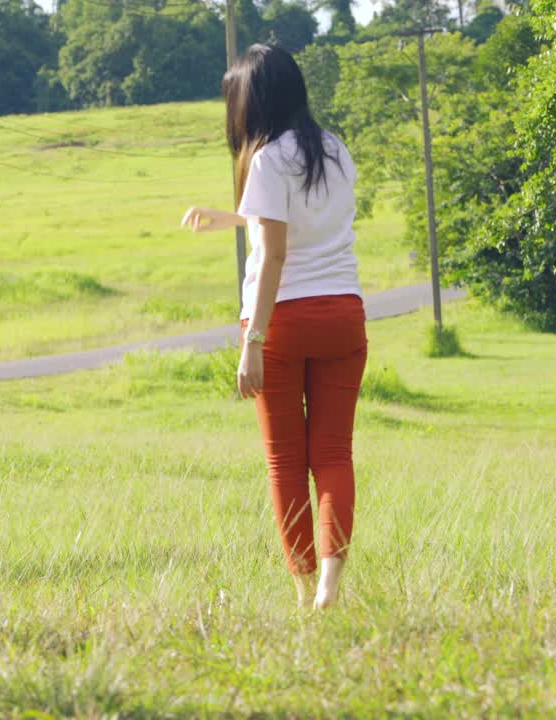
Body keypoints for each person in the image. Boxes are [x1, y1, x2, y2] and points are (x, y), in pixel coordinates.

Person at [181, 45, 367, 609]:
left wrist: (252, 343)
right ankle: (331, 585)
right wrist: (228, 218)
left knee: (285, 459)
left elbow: (277, 253)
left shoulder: (265, 159)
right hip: (343, 315)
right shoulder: (332, 148)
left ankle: (303, 584)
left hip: (282, 320)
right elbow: (299, 220)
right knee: (333, 453)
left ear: (251, 101)